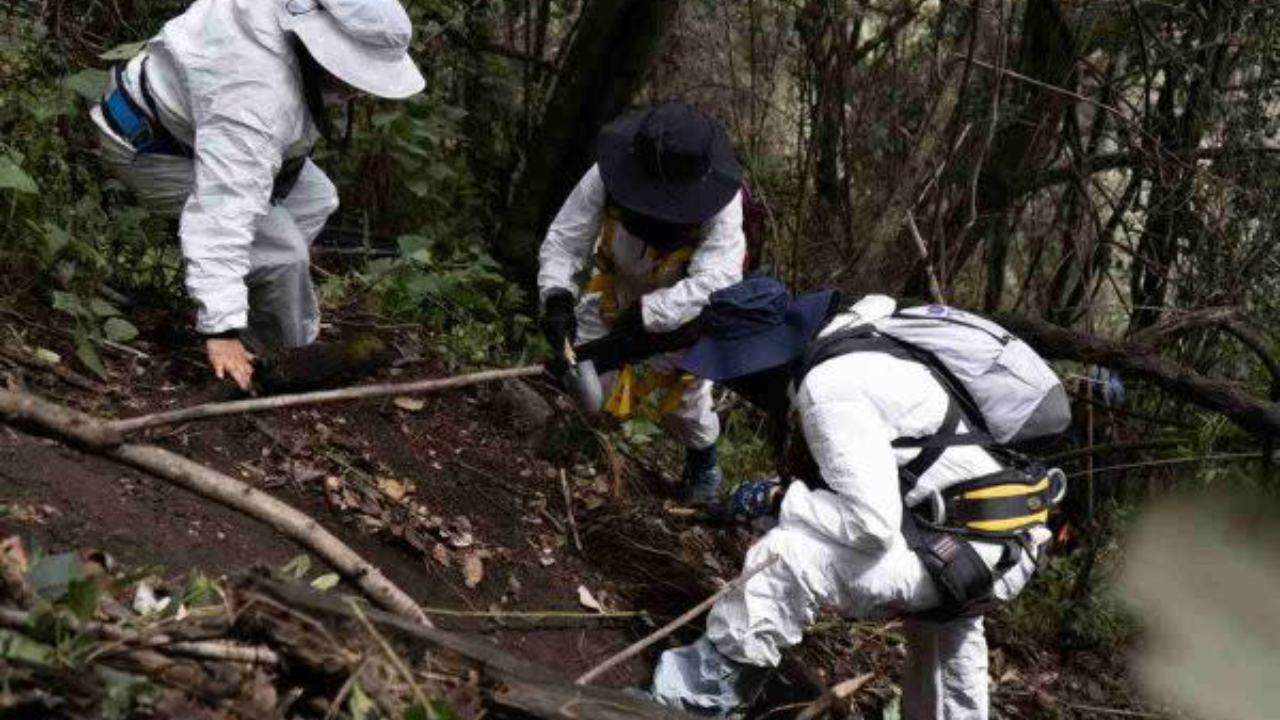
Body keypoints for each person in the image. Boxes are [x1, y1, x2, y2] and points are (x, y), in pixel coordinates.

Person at [648, 276, 1051, 720]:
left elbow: (871, 526)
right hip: (986, 540)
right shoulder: (856, 344)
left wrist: (781, 500)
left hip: (958, 544)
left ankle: (690, 704)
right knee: (944, 655)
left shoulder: (829, 387)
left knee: (786, 559)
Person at [90, 0, 425, 391]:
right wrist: (221, 329)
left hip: (189, 128)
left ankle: (252, 320)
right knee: (283, 254)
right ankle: (282, 355)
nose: (355, 89)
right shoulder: (255, 95)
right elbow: (223, 211)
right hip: (148, 146)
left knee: (315, 200)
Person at [538, 102, 748, 504]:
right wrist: (557, 297)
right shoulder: (607, 174)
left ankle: (704, 463)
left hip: (682, 308)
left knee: (682, 405)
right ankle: (583, 445)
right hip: (616, 289)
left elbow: (718, 278)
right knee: (587, 382)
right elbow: (566, 239)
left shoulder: (722, 202)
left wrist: (651, 317)